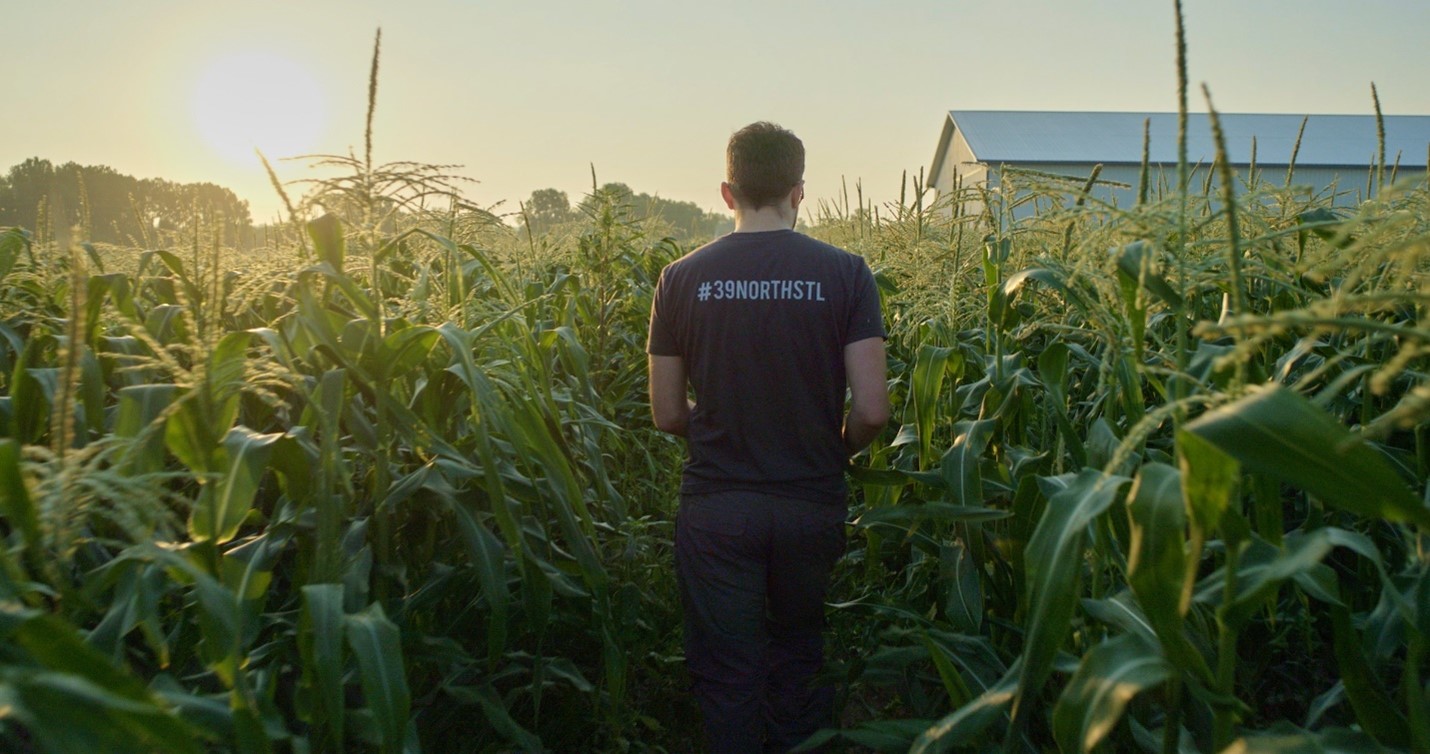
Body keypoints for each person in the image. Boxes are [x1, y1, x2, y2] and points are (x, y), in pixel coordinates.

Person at [646, 121, 890, 753]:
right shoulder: (845, 273)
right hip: (810, 503)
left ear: (727, 193)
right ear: (799, 191)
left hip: (718, 509)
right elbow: (871, 409)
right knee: (797, 663)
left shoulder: (679, 279)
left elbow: (668, 414)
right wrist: (833, 447)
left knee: (728, 677)